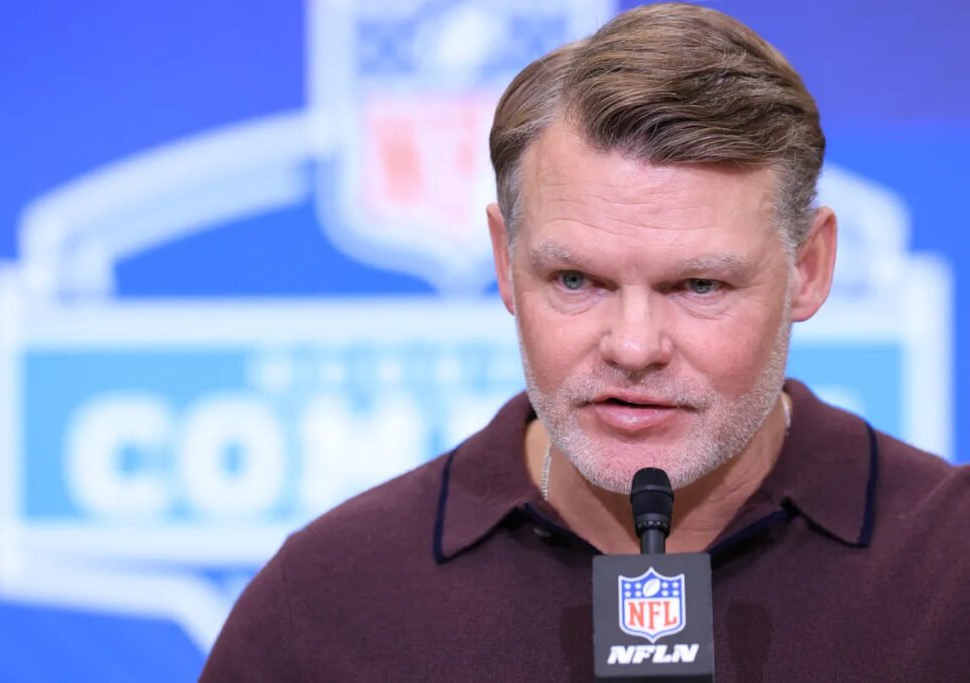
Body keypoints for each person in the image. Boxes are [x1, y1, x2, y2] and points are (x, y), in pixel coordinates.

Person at [200, 4, 968, 681]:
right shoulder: (327, 599)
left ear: (809, 267)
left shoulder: (953, 568)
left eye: (699, 285)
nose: (633, 346)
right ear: (506, 260)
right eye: (576, 280)